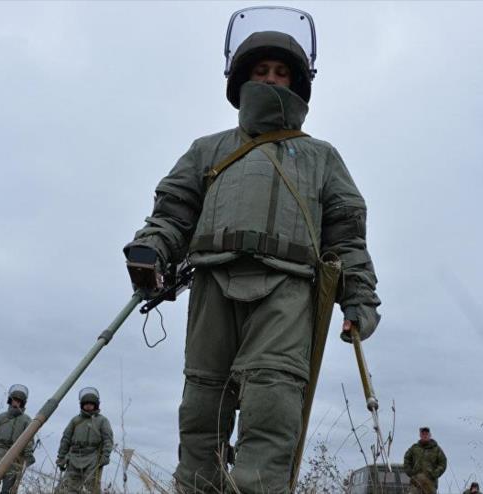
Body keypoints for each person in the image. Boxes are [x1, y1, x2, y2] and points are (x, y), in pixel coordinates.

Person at [123, 17, 381, 494]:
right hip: (211, 285)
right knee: (201, 408)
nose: (270, 79)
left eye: (280, 72)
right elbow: (173, 213)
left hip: (287, 291)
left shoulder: (321, 157)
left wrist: (358, 300)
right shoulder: (208, 150)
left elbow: (346, 238)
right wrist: (153, 249)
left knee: (272, 403)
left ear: (296, 82)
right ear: (242, 78)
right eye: (261, 70)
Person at [56, 387, 113, 494]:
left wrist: (105, 455)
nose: (88, 406)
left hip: (93, 458)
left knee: (90, 488)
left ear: (95, 405)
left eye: (91, 404)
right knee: (67, 487)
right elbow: (66, 440)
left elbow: (108, 440)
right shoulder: (75, 421)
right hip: (73, 457)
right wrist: (61, 457)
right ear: (82, 405)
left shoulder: (102, 421)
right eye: (86, 404)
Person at [0, 384, 35, 494]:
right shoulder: (1, 418)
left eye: (18, 401)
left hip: (15, 457)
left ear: (22, 403)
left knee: (8, 489)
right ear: (10, 401)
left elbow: (29, 439)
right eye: (14, 400)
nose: (16, 403)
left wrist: (28, 454)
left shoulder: (26, 420)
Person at [403, 427, 447, 494]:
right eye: (423, 434)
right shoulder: (414, 448)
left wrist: (435, 473)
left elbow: (443, 463)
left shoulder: (436, 449)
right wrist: (410, 472)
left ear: (430, 435)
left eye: (426, 434)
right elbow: (407, 459)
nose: (425, 436)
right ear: (420, 435)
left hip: (430, 484)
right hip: (415, 482)